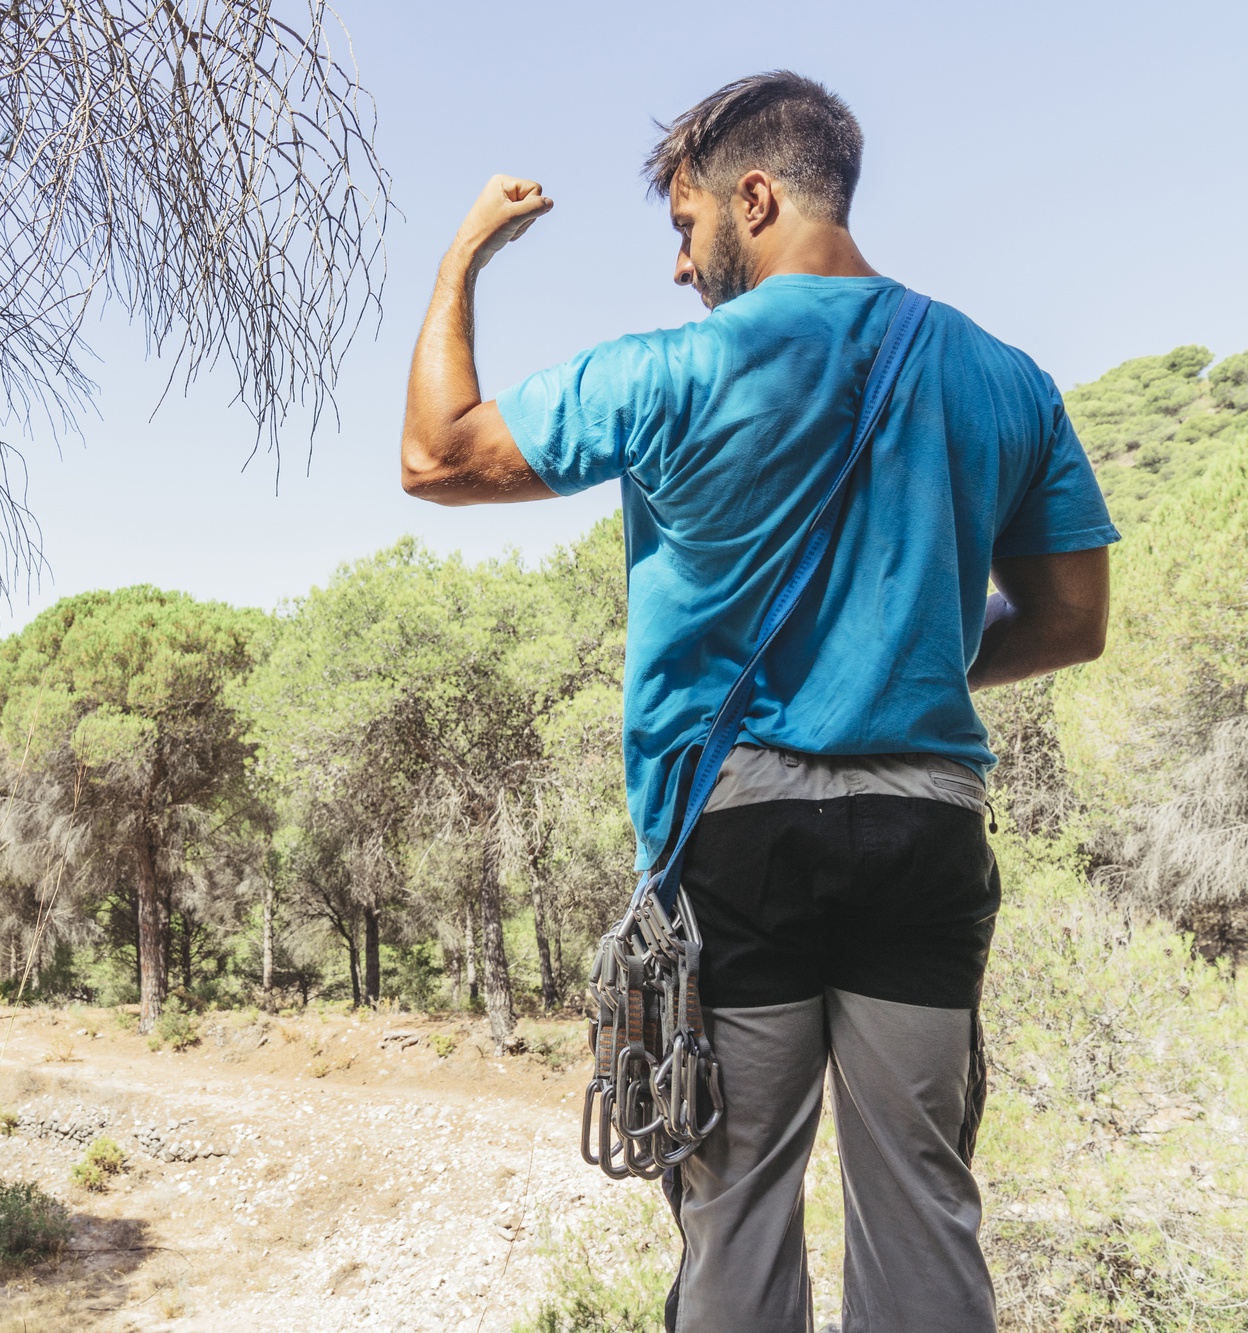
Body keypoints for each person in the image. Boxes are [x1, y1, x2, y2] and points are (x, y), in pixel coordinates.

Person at [400, 71, 1117, 1333]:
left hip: (735, 841)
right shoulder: (1005, 379)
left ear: (754, 194)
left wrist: (465, 251)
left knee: (732, 1215)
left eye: (683, 228)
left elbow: (434, 454)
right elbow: (1068, 622)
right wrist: (902, 662)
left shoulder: (672, 372)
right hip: (924, 835)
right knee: (922, 1209)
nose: (680, 267)